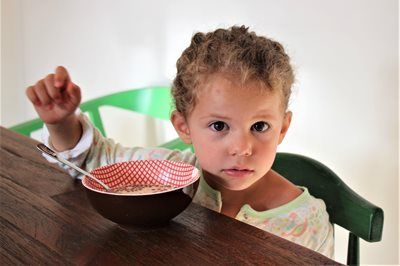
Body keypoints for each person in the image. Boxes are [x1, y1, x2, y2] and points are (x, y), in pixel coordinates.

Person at [26, 25, 334, 258]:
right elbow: (94, 162)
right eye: (218, 125)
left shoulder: (308, 224)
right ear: (183, 127)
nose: (242, 147)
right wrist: (61, 122)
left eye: (260, 126)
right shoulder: (169, 175)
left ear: (283, 128)